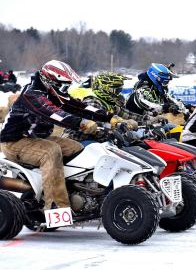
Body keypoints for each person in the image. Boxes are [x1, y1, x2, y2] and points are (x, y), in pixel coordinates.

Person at [0, 60, 116, 211]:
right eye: (63, 85)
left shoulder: (52, 93)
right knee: (51, 151)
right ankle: (56, 206)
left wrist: (109, 117)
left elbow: (78, 106)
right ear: (50, 81)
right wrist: (82, 123)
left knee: (77, 148)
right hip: (14, 142)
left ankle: (77, 193)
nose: (66, 89)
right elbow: (55, 114)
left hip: (36, 138)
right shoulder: (32, 95)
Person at [64, 72, 163, 142]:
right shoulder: (92, 102)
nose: (119, 94)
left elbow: (129, 115)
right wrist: (120, 126)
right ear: (106, 90)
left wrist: (151, 120)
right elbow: (97, 124)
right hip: (79, 140)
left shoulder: (110, 104)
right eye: (117, 91)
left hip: (99, 139)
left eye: (120, 91)